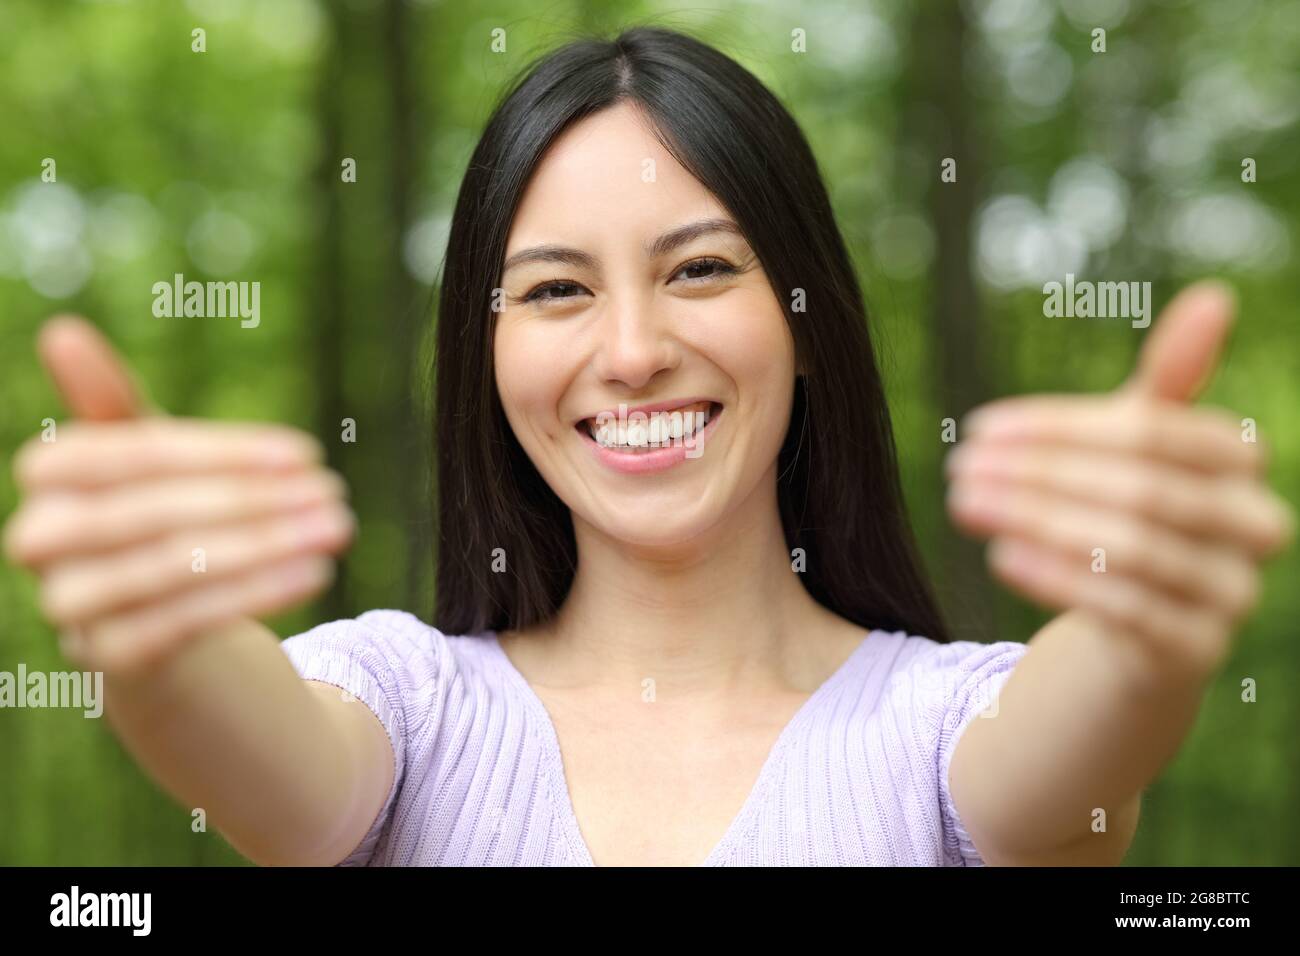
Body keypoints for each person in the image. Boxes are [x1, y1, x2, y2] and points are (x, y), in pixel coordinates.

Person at [4, 27, 1292, 867]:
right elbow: (270, 769)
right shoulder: (403, 701)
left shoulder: (945, 724)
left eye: (702, 269)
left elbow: (1067, 774)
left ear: (803, 317)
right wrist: (158, 643)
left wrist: (1139, 628)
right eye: (556, 291)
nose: (630, 351)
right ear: (485, 354)